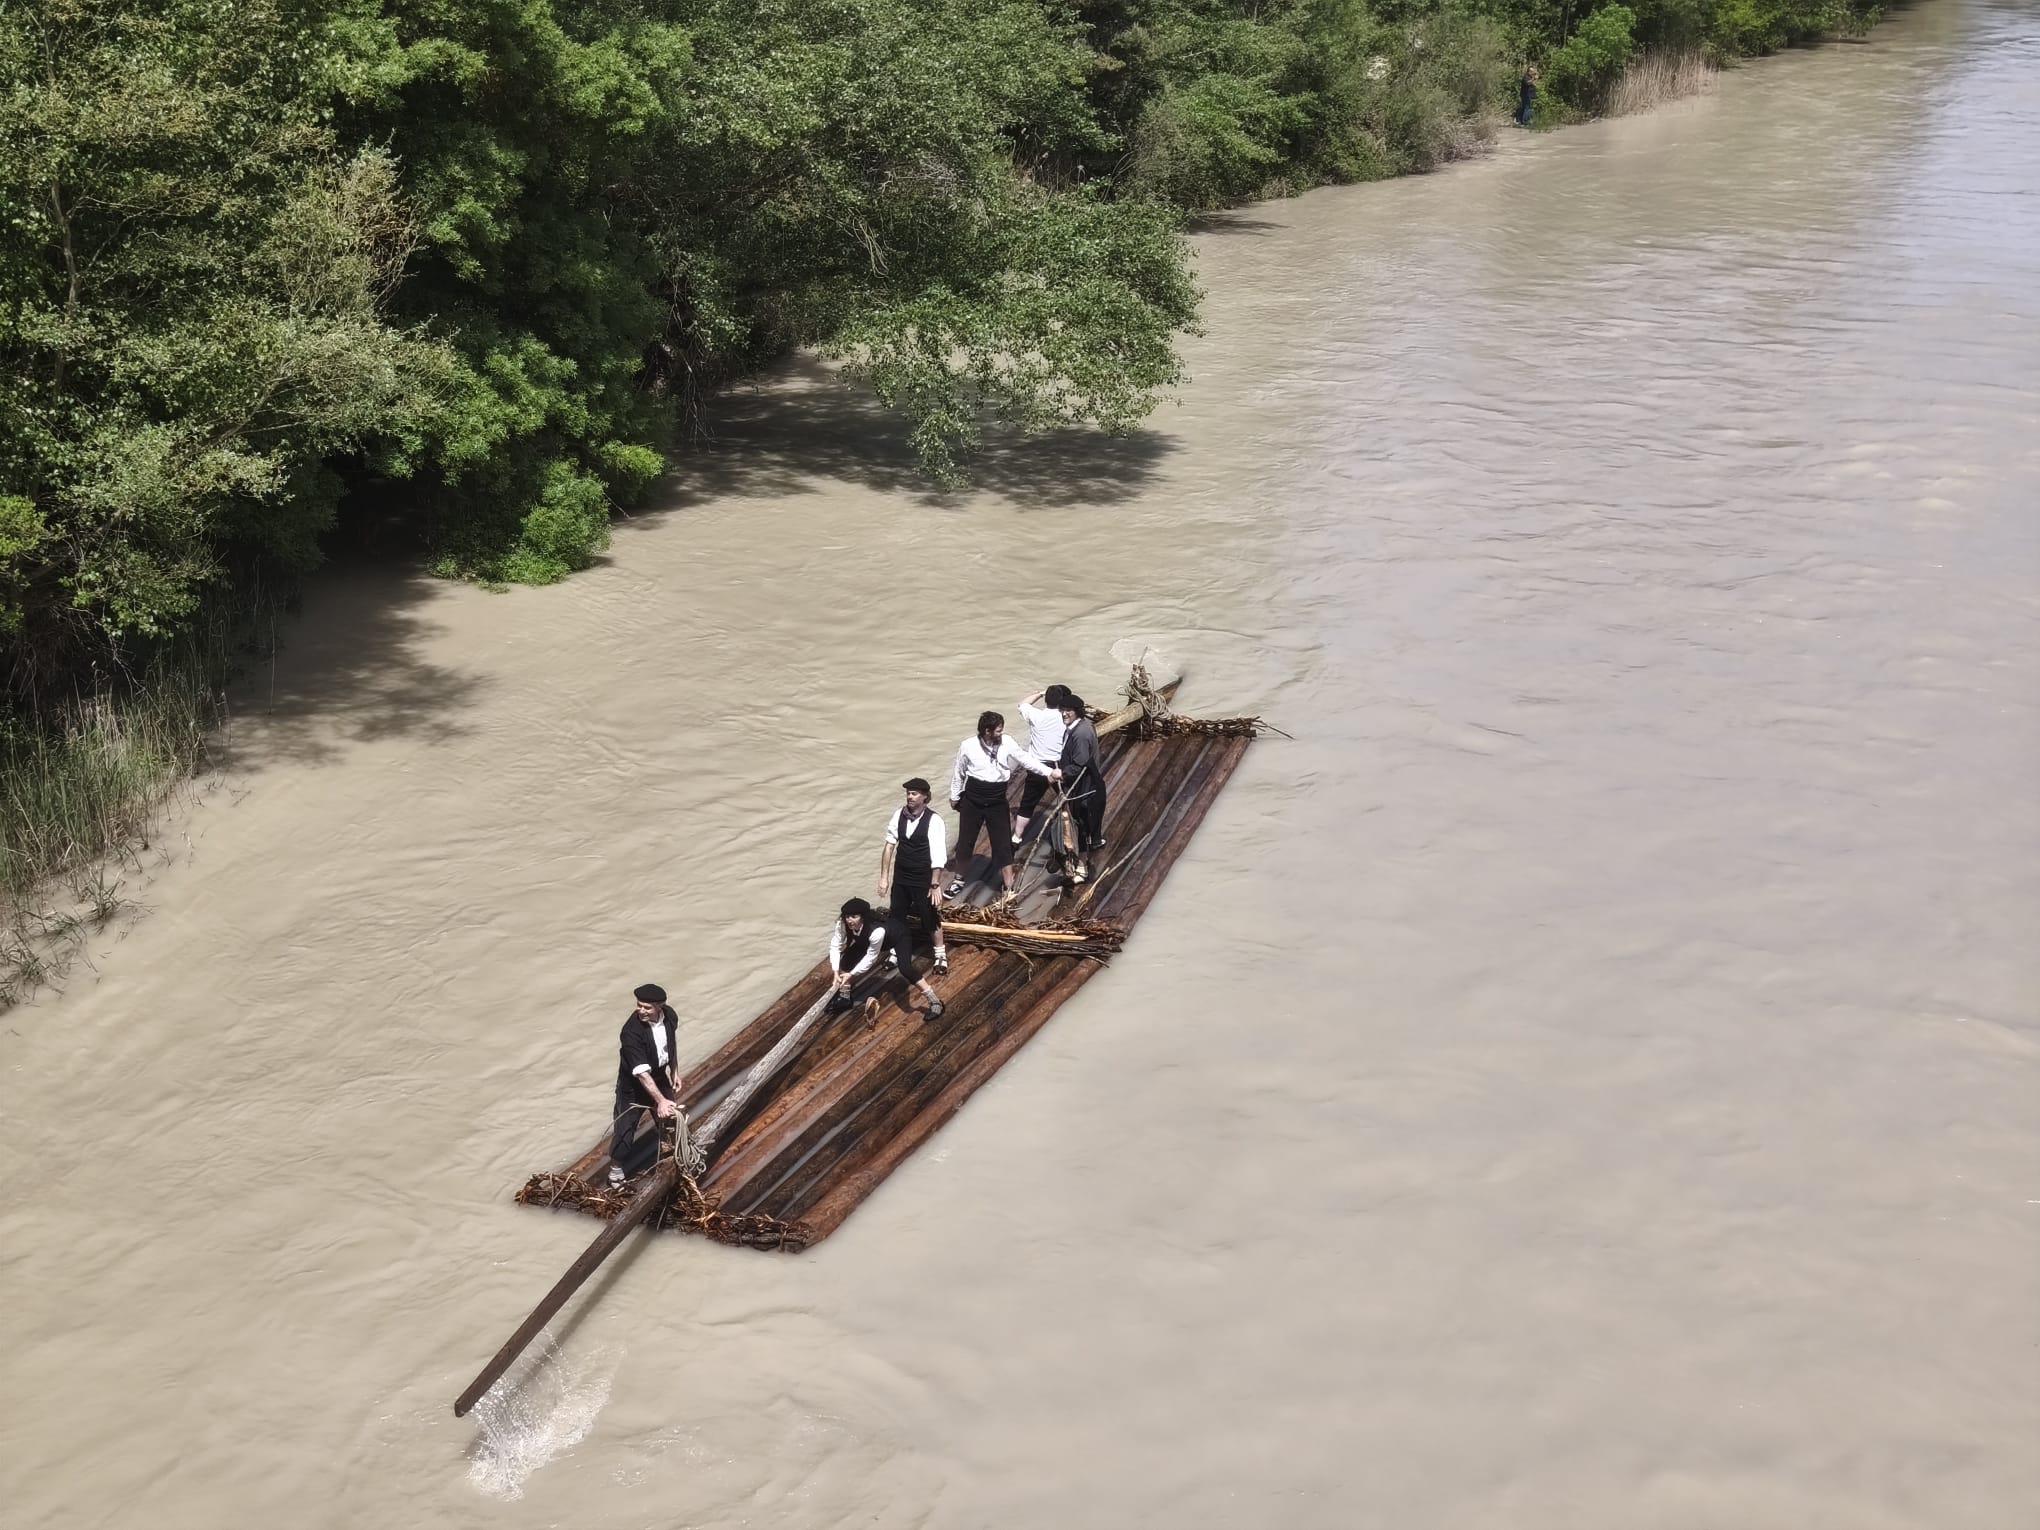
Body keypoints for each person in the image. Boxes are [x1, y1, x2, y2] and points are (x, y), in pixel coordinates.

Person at [945, 710, 1054, 898]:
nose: (1001, 734)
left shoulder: (1008, 742)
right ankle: (958, 881)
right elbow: (959, 772)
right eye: (998, 731)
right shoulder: (968, 746)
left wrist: (1048, 771)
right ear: (986, 731)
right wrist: (955, 796)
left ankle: (1009, 886)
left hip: (996, 800)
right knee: (964, 843)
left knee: (1003, 844)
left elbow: (1025, 759)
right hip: (973, 798)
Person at [610, 982, 681, 1186]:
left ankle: (670, 1160)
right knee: (625, 1130)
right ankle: (615, 1171)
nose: (641, 1010)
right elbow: (641, 1074)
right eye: (639, 1005)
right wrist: (659, 1100)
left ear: (660, 1006)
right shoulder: (630, 1033)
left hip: (659, 1075)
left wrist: (675, 1070)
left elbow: (671, 1043)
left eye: (647, 1007)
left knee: (670, 1122)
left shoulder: (670, 1016)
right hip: (633, 1085)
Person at [879, 777, 950, 978]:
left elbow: (938, 855)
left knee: (929, 915)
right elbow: (889, 846)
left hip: (923, 878)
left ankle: (940, 953)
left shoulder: (934, 820)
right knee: (897, 914)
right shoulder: (898, 815)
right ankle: (896, 950)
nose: (910, 796)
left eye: (914, 793)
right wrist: (884, 878)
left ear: (925, 797)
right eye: (908, 793)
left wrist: (935, 884)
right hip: (901, 876)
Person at [830, 897, 943, 1019]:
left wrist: (851, 974)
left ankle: (935, 1001)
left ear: (863, 917)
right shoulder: (842, 923)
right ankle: (845, 997)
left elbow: (871, 957)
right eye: (847, 916)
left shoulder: (877, 930)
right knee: (847, 960)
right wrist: (836, 971)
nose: (849, 921)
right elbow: (836, 945)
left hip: (898, 937)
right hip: (868, 941)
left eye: (854, 917)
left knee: (906, 969)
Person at [1011, 684, 1074, 844]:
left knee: (1027, 804)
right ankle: (1070, 833)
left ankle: (1017, 837)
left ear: (1046, 700)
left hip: (1037, 767)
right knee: (1067, 798)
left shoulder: (1035, 715)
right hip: (1059, 766)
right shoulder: (1065, 718)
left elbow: (1022, 704)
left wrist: (1040, 693)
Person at [1055, 693, 1107, 883]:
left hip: (1085, 786)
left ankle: (1082, 868)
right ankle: (1095, 842)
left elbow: (1079, 765)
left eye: (1067, 711)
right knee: (1084, 825)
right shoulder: (1080, 726)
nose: (1064, 714)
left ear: (1077, 711)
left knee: (1081, 826)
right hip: (1087, 784)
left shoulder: (1081, 733)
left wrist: (1060, 774)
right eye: (1062, 711)